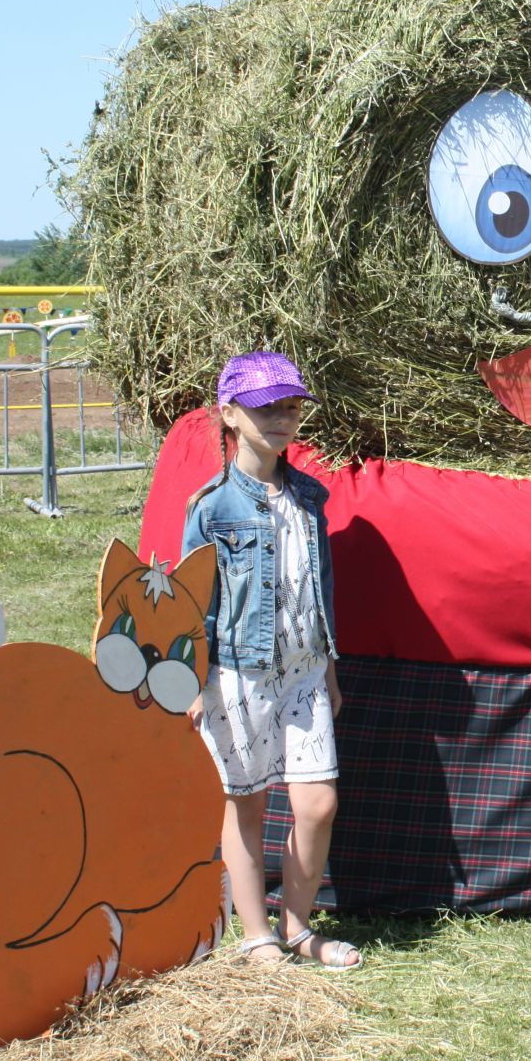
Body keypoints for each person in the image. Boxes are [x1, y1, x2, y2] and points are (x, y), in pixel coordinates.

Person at [182, 351, 362, 970]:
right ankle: (257, 933)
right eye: (265, 408)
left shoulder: (310, 496)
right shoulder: (211, 507)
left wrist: (331, 668)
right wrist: (196, 681)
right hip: (237, 671)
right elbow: (192, 598)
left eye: (289, 408)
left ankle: (298, 927)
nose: (281, 419)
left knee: (317, 804)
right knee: (247, 802)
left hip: (306, 671)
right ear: (230, 414)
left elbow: (324, 588)